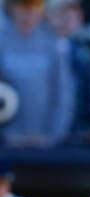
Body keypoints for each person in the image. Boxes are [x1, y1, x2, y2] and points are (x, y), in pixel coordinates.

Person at [0, 0, 73, 147]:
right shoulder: (2, 41)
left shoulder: (53, 44)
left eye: (34, 8)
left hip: (44, 142)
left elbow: (63, 95)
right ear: (13, 8)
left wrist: (53, 135)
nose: (28, 14)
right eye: (23, 8)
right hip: (7, 142)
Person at [48, 0, 90, 141]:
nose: (66, 23)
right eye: (62, 16)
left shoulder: (83, 57)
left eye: (72, 18)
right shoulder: (38, 51)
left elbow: (89, 99)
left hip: (73, 133)